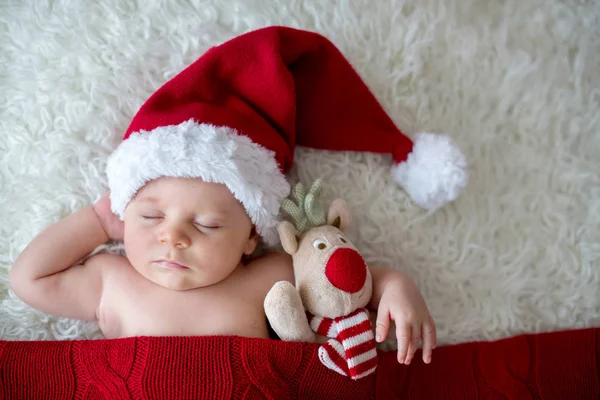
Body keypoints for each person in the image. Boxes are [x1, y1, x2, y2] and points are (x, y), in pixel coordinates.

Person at [9, 25, 469, 367]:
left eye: (207, 224)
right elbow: (28, 279)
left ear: (252, 235)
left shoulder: (266, 277)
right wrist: (97, 220)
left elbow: (346, 281)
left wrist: (395, 287)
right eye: (149, 216)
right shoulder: (112, 281)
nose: (173, 238)